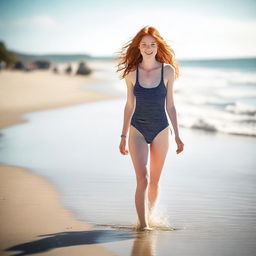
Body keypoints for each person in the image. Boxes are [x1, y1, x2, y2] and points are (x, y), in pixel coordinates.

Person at [116, 26, 184, 231]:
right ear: (138, 46)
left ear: (157, 46)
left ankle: (150, 215)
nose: (148, 48)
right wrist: (123, 135)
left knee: (154, 180)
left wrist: (178, 136)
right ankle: (144, 225)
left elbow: (170, 105)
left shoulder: (167, 71)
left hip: (161, 129)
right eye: (144, 44)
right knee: (142, 179)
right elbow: (129, 106)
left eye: (152, 44)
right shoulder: (131, 74)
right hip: (137, 129)